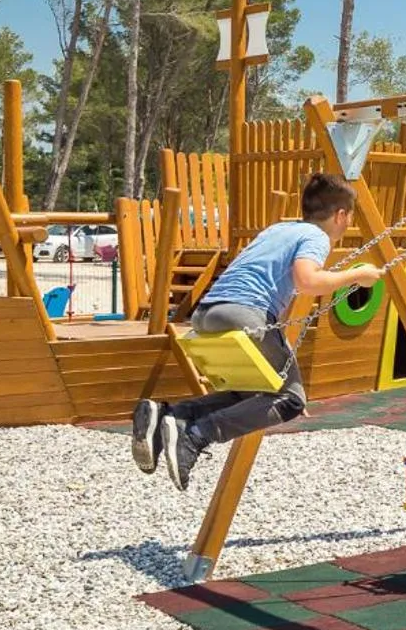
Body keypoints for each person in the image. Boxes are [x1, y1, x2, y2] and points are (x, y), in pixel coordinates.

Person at [132, 173, 385, 491]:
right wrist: (356, 275)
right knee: (291, 401)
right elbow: (307, 282)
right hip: (245, 312)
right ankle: (195, 436)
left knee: (252, 392)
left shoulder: (279, 229)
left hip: (206, 312)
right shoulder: (316, 237)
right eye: (348, 220)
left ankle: (172, 414)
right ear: (341, 215)